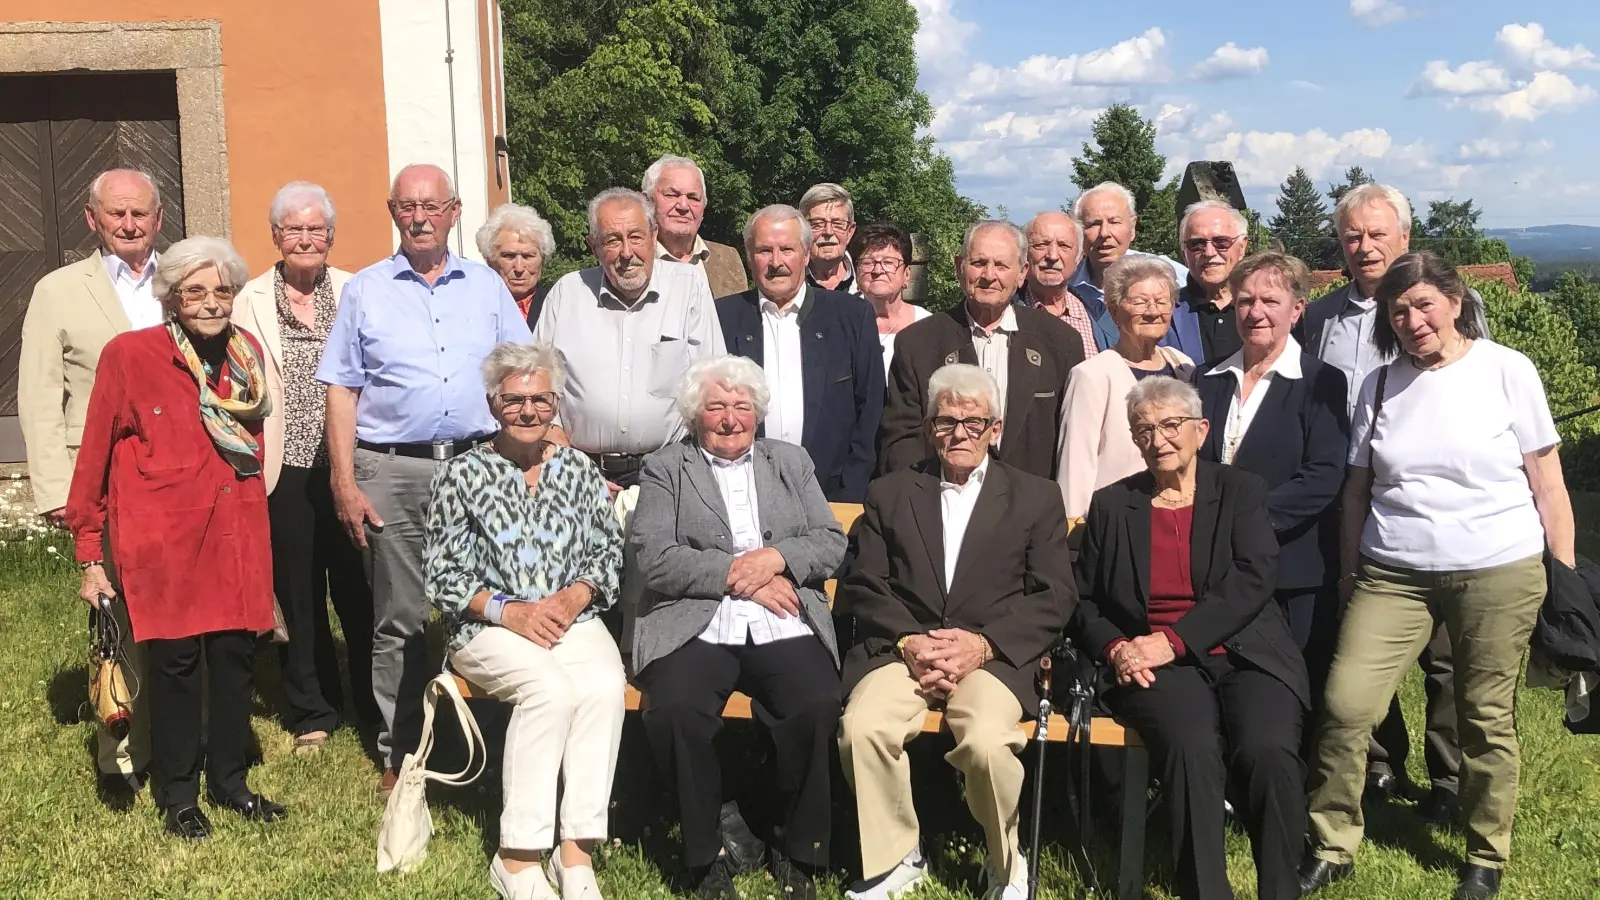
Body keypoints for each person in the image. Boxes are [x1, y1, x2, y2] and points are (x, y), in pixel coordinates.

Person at [1300, 252, 1576, 900]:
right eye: (1399, 311)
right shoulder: (1378, 385)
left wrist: (1562, 578)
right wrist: (1348, 575)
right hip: (1392, 571)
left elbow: (1549, 483)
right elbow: (1356, 492)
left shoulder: (1507, 370)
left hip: (1497, 569)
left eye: (1424, 304)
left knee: (1485, 717)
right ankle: (1334, 842)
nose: (1412, 320)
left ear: (1454, 300)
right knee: (1345, 706)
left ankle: (1486, 855)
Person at [316, 163, 533, 792]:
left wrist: (533, 457)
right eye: (406, 206)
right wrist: (343, 480)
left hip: (476, 468)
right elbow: (341, 390)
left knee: (494, 602)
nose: (419, 217)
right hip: (392, 470)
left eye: (431, 206)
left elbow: (520, 373)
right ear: (392, 213)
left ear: (454, 211)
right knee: (401, 616)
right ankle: (403, 749)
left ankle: (490, 739)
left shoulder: (487, 288)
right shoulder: (365, 290)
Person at [66, 235, 286, 840]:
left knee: (236, 662)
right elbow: (94, 456)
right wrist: (89, 552)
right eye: (195, 290)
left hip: (237, 537)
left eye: (222, 290)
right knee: (177, 668)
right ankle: (179, 793)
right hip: (164, 544)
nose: (211, 301)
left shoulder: (248, 359)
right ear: (171, 297)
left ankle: (232, 783)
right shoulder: (131, 355)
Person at [838, 364, 1076, 900]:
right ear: (929, 428)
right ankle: (897, 857)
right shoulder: (891, 492)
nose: (959, 433)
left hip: (993, 656)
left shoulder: (1035, 497)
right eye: (946, 421)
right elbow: (864, 581)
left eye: (974, 422)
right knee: (862, 728)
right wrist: (911, 642)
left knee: (989, 742)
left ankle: (1006, 861)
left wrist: (983, 645)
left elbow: (1055, 595)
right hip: (904, 651)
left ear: (996, 428)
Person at [1074, 376, 1308, 900]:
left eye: (1171, 425)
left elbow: (1253, 576)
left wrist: (1175, 639)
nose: (1158, 440)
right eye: (1144, 430)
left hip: (1243, 649)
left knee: (1268, 752)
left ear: (1201, 431)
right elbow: (1083, 601)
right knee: (1192, 747)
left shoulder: (1240, 490)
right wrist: (1116, 649)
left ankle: (1281, 889)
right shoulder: (1112, 506)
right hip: (1156, 665)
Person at [629, 356, 847, 900]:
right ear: (694, 415)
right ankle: (705, 857)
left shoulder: (791, 462)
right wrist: (734, 574)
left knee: (816, 702)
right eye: (716, 406)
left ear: (758, 412)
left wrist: (773, 558)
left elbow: (830, 541)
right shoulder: (666, 468)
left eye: (741, 406)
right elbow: (653, 556)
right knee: (678, 708)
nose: (730, 418)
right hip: (696, 620)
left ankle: (800, 849)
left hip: (783, 614)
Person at [425, 342, 625, 900]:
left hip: (568, 619)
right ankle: (517, 858)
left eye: (540, 399)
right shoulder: (462, 474)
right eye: (515, 400)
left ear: (556, 403)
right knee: (549, 693)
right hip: (485, 628)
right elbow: (440, 575)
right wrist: (508, 610)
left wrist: (574, 597)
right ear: (493, 404)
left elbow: (608, 555)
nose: (529, 411)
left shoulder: (580, 471)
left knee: (605, 685)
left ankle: (576, 853)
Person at [1297, 182, 1463, 812]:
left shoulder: (1446, 306)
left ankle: (1450, 779)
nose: (1364, 248)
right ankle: (1379, 762)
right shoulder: (1320, 318)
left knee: (1446, 658)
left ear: (1404, 239)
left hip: (1431, 501)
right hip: (1348, 494)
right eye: (1352, 237)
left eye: (1376, 235)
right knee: (1365, 637)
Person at [18, 167, 163, 799]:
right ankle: (120, 752)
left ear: (160, 217)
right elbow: (40, 393)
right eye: (117, 214)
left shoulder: (184, 278)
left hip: (175, 476)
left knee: (177, 612)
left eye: (140, 214)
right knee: (112, 616)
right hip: (99, 477)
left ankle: (187, 733)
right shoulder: (57, 290)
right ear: (92, 219)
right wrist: (55, 490)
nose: (129, 225)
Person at [232, 182, 374, 753]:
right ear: (275, 237)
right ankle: (311, 706)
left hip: (352, 460)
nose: (306, 238)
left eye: (316, 229)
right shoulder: (248, 299)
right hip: (284, 464)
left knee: (360, 585)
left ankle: (372, 697)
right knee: (297, 587)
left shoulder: (357, 290)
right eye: (294, 228)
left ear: (332, 236)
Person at [1192, 251, 1348, 709]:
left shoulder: (1322, 382)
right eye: (1244, 301)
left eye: (1269, 300)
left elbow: (1323, 475)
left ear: (1297, 309)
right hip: (1219, 567)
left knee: (1295, 683)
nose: (1255, 312)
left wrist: (1247, 524)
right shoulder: (1207, 380)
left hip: (1292, 568)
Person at [532, 187, 726, 492]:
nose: (626, 253)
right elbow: (535, 382)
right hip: (578, 473)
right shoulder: (567, 293)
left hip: (670, 474)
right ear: (593, 246)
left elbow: (713, 381)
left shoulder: (688, 289)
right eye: (612, 240)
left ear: (654, 236)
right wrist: (555, 440)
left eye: (636, 237)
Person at [879, 220, 1085, 479]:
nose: (989, 276)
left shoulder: (1060, 342)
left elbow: (1074, 441)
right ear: (958, 267)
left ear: (1022, 273)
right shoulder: (917, 343)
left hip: (1031, 508)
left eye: (1001, 265)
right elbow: (902, 440)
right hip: (944, 501)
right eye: (979, 263)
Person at [716, 204, 884, 502]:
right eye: (764, 250)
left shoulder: (851, 316)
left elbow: (871, 411)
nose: (776, 262)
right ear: (749, 256)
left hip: (831, 495)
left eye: (787, 250)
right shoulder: (722, 317)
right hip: (743, 496)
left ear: (806, 254)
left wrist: (852, 492)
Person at [1056, 256, 1195, 519]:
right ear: (1114, 310)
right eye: (1140, 302)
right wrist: (1075, 535)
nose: (1153, 311)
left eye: (1162, 301)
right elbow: (1075, 468)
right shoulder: (1092, 374)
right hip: (1118, 522)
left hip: (1180, 516)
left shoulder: (1183, 366)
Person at [1067, 182, 1188, 350]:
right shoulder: (1068, 285)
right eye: (1094, 224)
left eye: (1114, 222)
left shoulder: (1167, 273)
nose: (1104, 233)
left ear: (1132, 228)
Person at [643, 154, 749, 299]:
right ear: (648, 201)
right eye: (672, 195)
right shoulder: (632, 258)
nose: (683, 206)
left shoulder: (728, 258)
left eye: (693, 197)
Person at [1168, 200, 1250, 365]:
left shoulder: (1265, 309)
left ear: (1242, 247)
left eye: (1221, 243)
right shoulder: (1166, 312)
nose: (1209, 252)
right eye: (1196, 244)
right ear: (1184, 252)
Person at [1017, 211, 1101, 360]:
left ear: (1079, 258)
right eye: (1041, 245)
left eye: (1064, 246)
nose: (1053, 256)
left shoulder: (1099, 316)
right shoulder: (1004, 314)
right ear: (1024, 254)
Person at [849, 222, 931, 372]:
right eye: (868, 262)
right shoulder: (843, 323)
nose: (878, 270)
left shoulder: (927, 326)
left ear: (906, 274)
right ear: (856, 272)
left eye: (888, 262)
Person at [476, 201, 557, 325]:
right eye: (509, 256)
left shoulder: (556, 307)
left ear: (543, 259)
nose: (519, 268)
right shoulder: (473, 306)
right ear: (490, 259)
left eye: (528, 256)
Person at [800, 183, 858, 293]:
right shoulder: (789, 283)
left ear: (850, 232)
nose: (828, 232)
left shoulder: (868, 281)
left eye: (837, 224)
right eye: (817, 224)